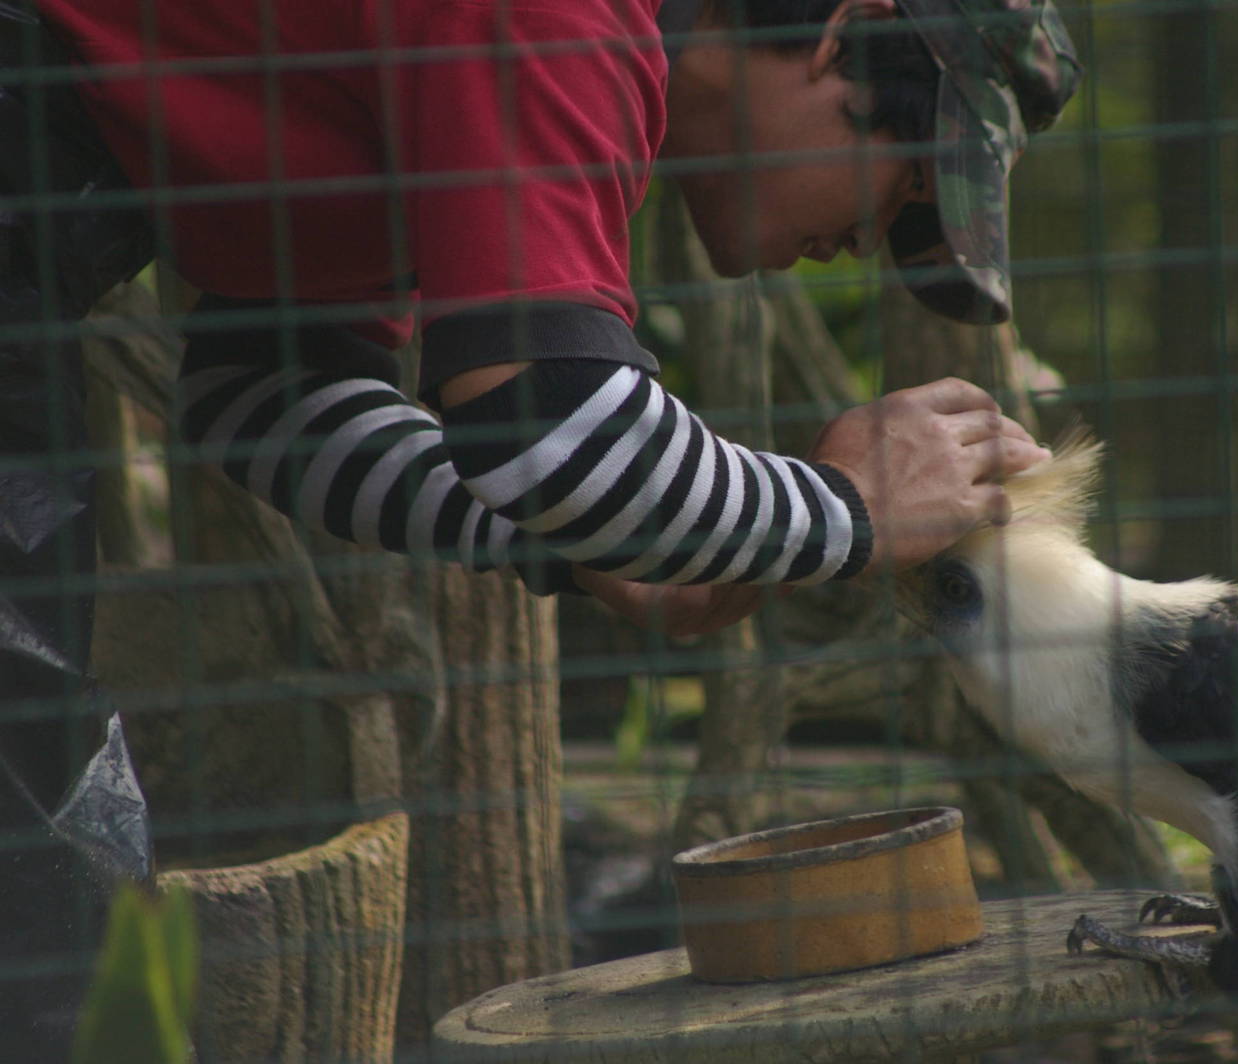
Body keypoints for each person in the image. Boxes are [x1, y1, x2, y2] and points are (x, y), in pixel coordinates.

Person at [1, 0, 1079, 1055]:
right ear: (841, 33)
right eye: (911, 186)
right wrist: (842, 507)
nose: (874, 243)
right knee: (45, 933)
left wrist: (568, 534)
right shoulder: (571, 21)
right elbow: (550, 426)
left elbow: (267, 395)